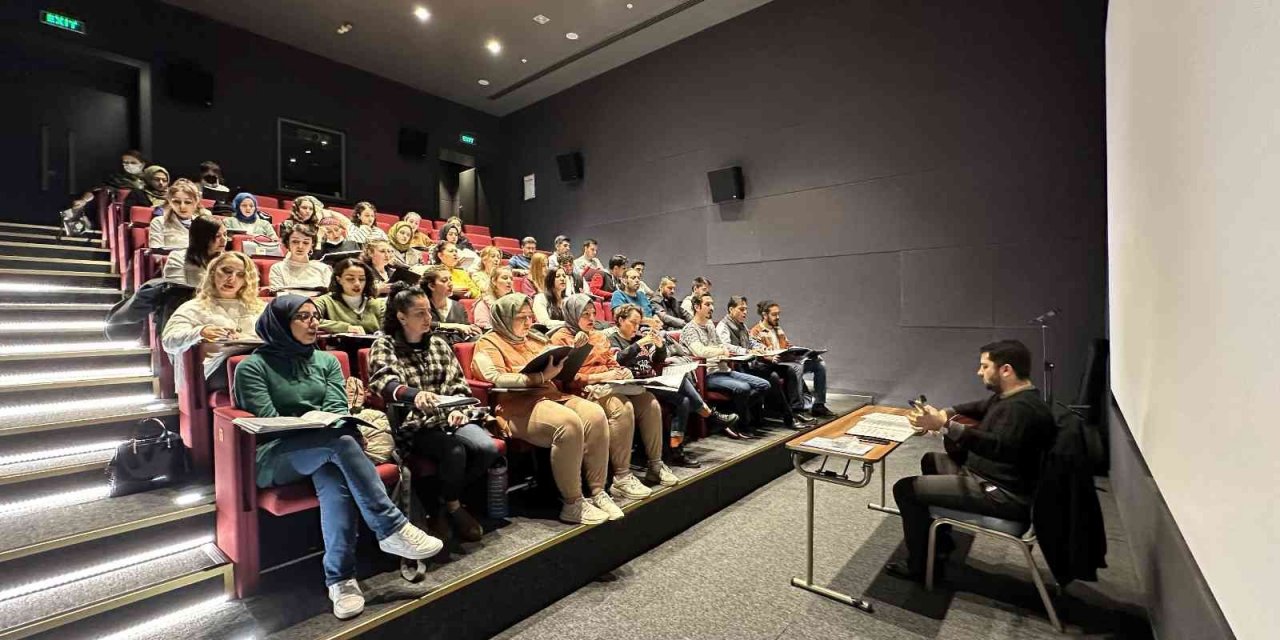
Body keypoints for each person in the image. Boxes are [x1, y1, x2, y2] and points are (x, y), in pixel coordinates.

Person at [235, 295, 443, 619]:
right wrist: (313, 426)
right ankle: (390, 528)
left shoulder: (328, 361)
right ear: (279, 323)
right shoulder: (252, 367)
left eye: (315, 316)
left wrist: (321, 425)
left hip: (328, 447)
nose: (313, 322)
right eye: (302, 317)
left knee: (335, 472)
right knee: (340, 443)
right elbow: (268, 423)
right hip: (277, 455)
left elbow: (336, 410)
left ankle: (341, 580)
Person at [886, 340, 1057, 583]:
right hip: (990, 476)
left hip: (1002, 494)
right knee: (931, 460)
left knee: (905, 489)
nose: (979, 372)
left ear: (1005, 370)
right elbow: (978, 407)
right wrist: (944, 413)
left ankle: (920, 567)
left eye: (984, 366)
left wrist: (943, 425)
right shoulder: (1011, 396)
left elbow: (996, 447)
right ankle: (939, 545)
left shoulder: (1023, 410)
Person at [470, 293, 617, 524]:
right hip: (515, 406)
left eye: (530, 317)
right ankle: (573, 503)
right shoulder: (487, 343)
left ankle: (597, 492)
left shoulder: (534, 338)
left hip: (549, 395)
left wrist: (571, 352)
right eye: (521, 317)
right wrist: (539, 376)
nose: (529, 322)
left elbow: (558, 363)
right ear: (504, 318)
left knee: (595, 414)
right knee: (568, 423)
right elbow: (493, 377)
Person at [369, 284, 500, 542]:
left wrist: (460, 409)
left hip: (448, 417)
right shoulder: (385, 345)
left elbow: (458, 385)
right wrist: (414, 395)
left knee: (487, 448)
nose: (429, 318)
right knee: (454, 451)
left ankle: (442, 503)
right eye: (420, 313)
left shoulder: (439, 344)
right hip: (414, 423)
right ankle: (452, 508)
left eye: (429, 311)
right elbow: (385, 383)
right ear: (401, 316)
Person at [551, 295, 676, 491]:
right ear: (572, 315)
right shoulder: (561, 338)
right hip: (583, 390)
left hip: (610, 384)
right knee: (621, 407)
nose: (592, 318)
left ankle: (655, 464)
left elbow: (611, 362)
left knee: (649, 401)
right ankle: (622, 476)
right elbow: (566, 377)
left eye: (593, 313)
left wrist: (620, 371)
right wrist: (603, 375)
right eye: (585, 314)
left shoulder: (599, 336)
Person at [609, 303, 741, 465]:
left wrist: (659, 347)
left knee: (683, 400)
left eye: (638, 323)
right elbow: (618, 359)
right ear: (621, 320)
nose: (636, 327)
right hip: (634, 385)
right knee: (682, 386)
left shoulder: (638, 338)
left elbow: (658, 360)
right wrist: (640, 344)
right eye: (633, 322)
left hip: (652, 380)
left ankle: (676, 448)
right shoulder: (613, 339)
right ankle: (709, 415)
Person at [162, 252, 264, 390]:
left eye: (240, 275)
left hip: (257, 363)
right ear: (213, 273)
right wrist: (200, 332)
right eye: (227, 271)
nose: (232, 278)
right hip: (215, 372)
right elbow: (169, 342)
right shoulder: (194, 307)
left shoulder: (260, 307)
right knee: (251, 366)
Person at [680, 293, 776, 437]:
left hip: (724, 369)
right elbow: (700, 351)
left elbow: (721, 347)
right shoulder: (689, 329)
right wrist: (720, 351)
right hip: (707, 374)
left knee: (764, 385)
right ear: (696, 307)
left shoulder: (710, 326)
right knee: (743, 388)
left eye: (712, 304)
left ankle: (728, 415)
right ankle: (741, 426)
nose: (711, 307)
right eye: (707, 304)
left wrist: (720, 351)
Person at [717, 296, 808, 427]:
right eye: (741, 309)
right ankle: (789, 418)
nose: (745, 312)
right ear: (731, 309)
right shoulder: (723, 326)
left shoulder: (741, 325)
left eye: (746, 309)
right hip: (737, 368)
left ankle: (796, 411)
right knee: (773, 377)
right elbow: (725, 346)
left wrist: (761, 348)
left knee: (789, 370)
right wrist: (746, 351)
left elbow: (751, 341)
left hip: (749, 364)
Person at [751, 299, 833, 417]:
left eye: (778, 314)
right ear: (764, 315)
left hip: (788, 361)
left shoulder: (778, 329)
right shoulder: (756, 331)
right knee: (796, 368)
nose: (777, 317)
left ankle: (819, 405)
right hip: (775, 365)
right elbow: (758, 353)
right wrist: (772, 357)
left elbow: (787, 346)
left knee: (819, 364)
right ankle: (797, 408)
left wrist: (803, 353)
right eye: (774, 314)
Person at [313, 258, 386, 335]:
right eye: (350, 279)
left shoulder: (378, 304)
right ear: (339, 280)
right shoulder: (325, 301)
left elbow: (389, 328)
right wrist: (346, 328)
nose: (357, 283)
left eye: (362, 279)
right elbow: (308, 320)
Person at [269, 224, 333, 295]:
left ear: (312, 245)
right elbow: (279, 297)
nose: (300, 246)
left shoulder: (323, 268)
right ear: (288, 243)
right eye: (295, 242)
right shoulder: (278, 268)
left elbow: (330, 296)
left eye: (306, 242)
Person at [162, 215, 226, 285]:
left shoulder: (227, 260)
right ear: (202, 238)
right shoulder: (178, 258)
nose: (224, 240)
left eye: (225, 234)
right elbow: (176, 291)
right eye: (218, 236)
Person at [422, 267, 482, 339]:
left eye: (450, 279)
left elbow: (465, 331)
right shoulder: (421, 306)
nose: (450, 284)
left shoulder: (458, 306)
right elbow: (421, 325)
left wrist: (473, 330)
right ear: (431, 286)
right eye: (444, 280)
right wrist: (455, 326)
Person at [149, 178, 203, 249]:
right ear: (169, 201)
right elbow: (155, 252)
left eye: (188, 202)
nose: (182, 207)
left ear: (196, 202)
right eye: (176, 202)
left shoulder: (203, 224)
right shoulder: (159, 222)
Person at [473, 266, 513, 330]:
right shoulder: (483, 304)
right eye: (505, 278)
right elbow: (484, 329)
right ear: (494, 281)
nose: (509, 281)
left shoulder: (514, 302)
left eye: (511, 279)